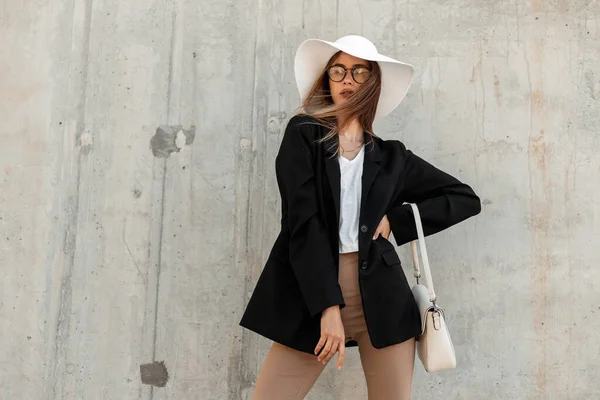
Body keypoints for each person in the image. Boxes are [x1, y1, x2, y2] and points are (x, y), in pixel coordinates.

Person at [239, 35, 481, 399]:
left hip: (383, 296)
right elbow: (302, 224)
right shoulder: (303, 135)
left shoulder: (392, 157)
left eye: (358, 71)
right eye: (338, 71)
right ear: (327, 81)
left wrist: (397, 221)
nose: (347, 79)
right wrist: (327, 308)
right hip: (314, 288)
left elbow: (464, 198)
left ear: (372, 82)